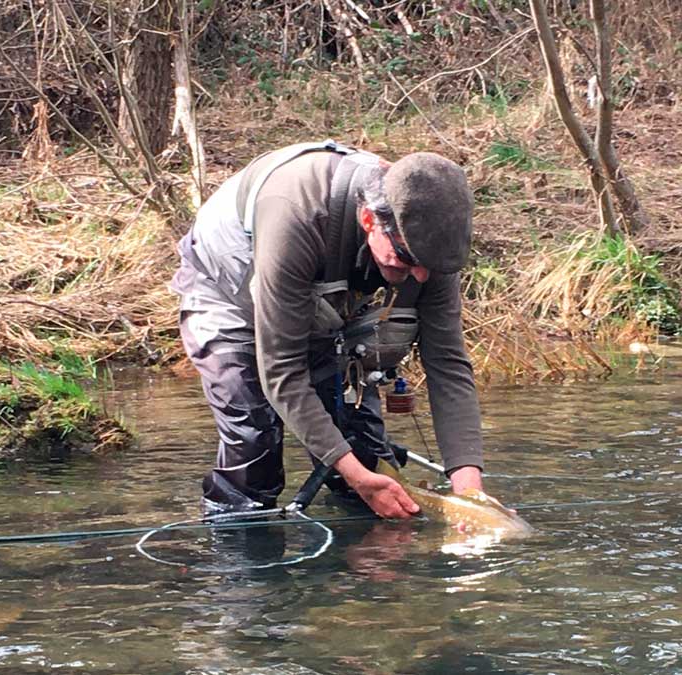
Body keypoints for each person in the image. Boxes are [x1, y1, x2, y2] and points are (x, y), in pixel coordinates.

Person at [169, 140, 492, 519]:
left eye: (431, 267)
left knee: (368, 458)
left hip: (326, 295)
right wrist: (355, 476)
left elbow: (448, 366)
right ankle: (242, 562)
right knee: (255, 445)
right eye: (408, 259)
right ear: (371, 220)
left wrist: (471, 498)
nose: (420, 277)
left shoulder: (429, 244)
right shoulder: (296, 216)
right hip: (228, 295)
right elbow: (282, 372)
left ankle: (369, 563)